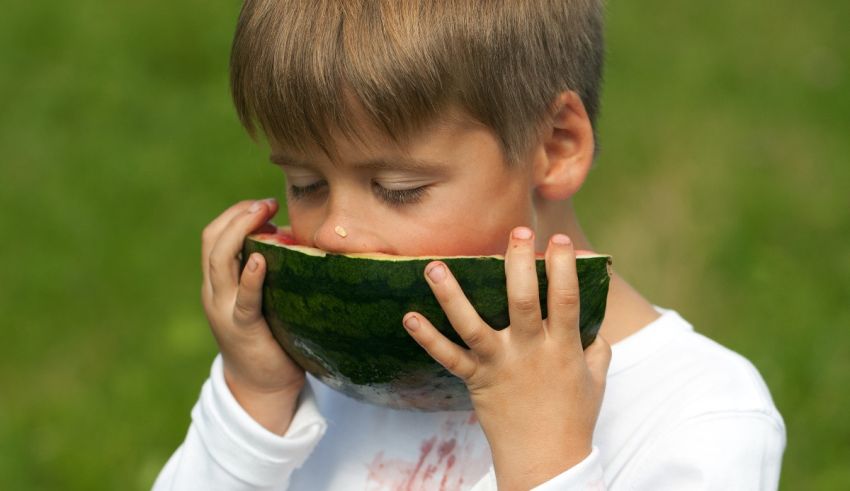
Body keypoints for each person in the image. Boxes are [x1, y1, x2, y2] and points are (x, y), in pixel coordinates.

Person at [154, 1, 785, 489]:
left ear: (556, 146)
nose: (332, 231)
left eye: (398, 188)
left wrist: (546, 463)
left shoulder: (701, 412)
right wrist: (254, 399)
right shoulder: (320, 378)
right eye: (306, 183)